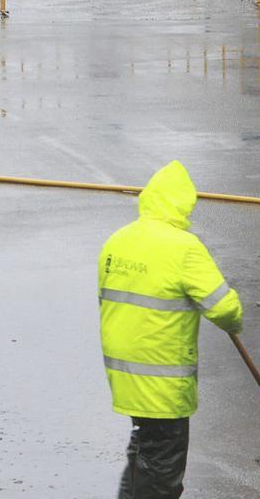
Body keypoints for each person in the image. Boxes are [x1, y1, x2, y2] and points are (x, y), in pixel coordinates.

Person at [98, 160, 244, 499]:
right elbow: (225, 308)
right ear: (183, 204)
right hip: (162, 380)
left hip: (124, 373)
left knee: (144, 448)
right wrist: (232, 320)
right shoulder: (184, 247)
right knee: (163, 468)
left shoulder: (116, 242)